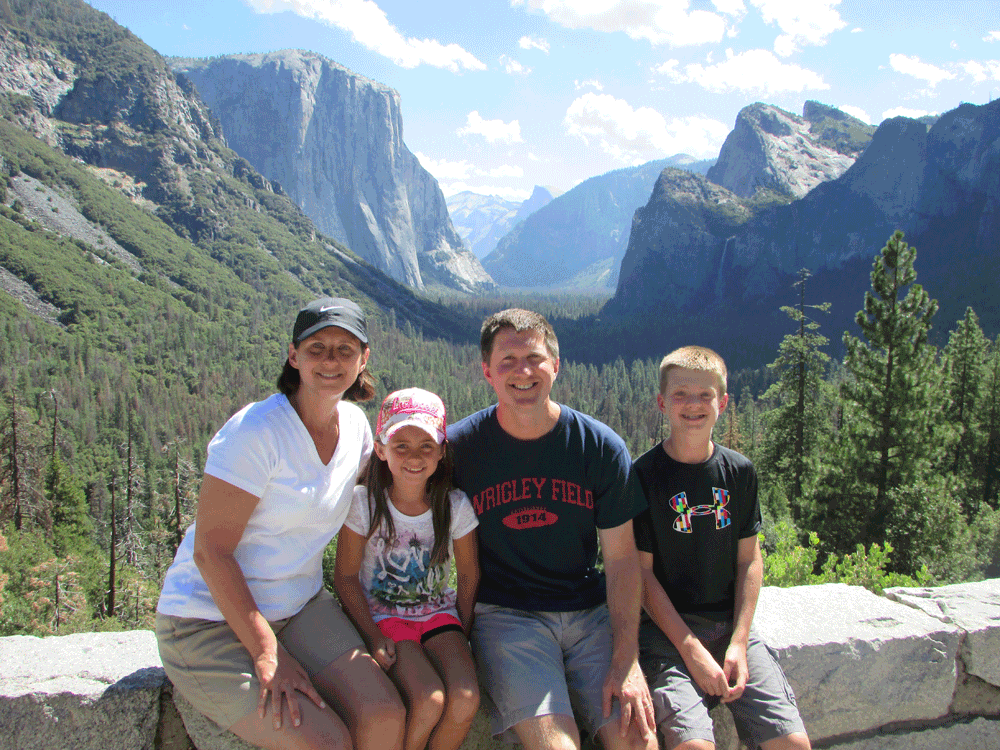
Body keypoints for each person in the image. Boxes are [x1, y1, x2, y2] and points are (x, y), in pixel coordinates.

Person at [155, 297, 406, 750]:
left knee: (384, 716)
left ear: (363, 358)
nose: (330, 361)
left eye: (344, 350)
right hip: (208, 621)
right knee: (326, 742)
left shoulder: (354, 426)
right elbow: (211, 552)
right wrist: (266, 650)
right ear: (294, 356)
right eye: (317, 349)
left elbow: (392, 486)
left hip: (300, 606)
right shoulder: (255, 432)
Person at [449, 308, 657, 750]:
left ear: (556, 366)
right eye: (507, 360)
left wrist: (627, 659)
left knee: (638, 742)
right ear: (486, 371)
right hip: (508, 615)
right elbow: (398, 479)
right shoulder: (461, 448)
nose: (522, 371)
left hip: (590, 614)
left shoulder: (599, 447)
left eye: (535, 358)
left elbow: (621, 560)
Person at [632, 346, 811, 750]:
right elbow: (640, 576)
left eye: (705, 395)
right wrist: (691, 649)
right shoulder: (644, 476)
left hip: (729, 627)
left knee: (794, 745)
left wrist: (739, 642)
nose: (693, 405)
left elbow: (749, 560)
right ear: (662, 402)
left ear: (723, 403)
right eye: (680, 395)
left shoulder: (740, 473)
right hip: (666, 635)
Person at [335, 387, 480, 750]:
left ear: (441, 451)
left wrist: (461, 629)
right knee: (428, 699)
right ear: (381, 449)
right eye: (401, 445)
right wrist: (371, 634)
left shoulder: (454, 505)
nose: (414, 456)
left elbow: (469, 574)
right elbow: (346, 576)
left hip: (439, 615)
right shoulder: (364, 505)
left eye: (426, 446)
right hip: (386, 618)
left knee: (465, 698)